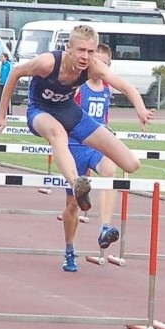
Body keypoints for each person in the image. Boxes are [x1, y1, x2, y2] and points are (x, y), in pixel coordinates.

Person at [0, 24, 154, 214]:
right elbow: (15, 73)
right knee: (58, 133)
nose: (85, 57)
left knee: (131, 163)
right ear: (68, 48)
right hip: (40, 111)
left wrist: (141, 110)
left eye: (90, 51)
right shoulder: (47, 63)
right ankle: (77, 185)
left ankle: (79, 185)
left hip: (69, 111)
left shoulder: (94, 67)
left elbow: (126, 87)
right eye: (81, 50)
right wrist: (1, 115)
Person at [61, 44, 120, 272]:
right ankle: (69, 249)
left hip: (95, 147)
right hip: (74, 148)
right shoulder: (77, 87)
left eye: (105, 64)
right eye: (97, 62)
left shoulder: (107, 89)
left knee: (110, 169)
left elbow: (103, 118)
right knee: (72, 205)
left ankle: (105, 227)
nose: (100, 67)